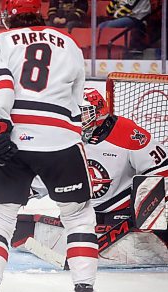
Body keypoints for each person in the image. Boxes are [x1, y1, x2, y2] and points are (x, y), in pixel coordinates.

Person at [0, 0, 109, 292]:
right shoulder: (69, 42)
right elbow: (76, 99)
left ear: (8, 17)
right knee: (78, 215)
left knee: (0, 216)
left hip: (13, 135)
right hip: (60, 139)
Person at [12, 88, 168, 266]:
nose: (78, 118)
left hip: (121, 216)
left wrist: (146, 208)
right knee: (22, 228)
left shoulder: (126, 132)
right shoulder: (64, 136)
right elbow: (50, 174)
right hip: (81, 212)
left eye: (84, 113)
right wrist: (18, 191)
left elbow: (161, 167)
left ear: (99, 112)